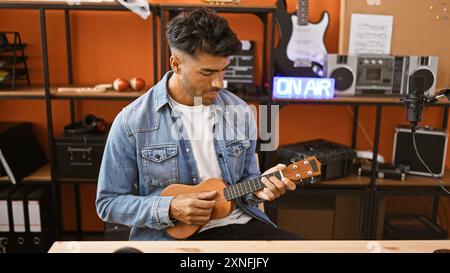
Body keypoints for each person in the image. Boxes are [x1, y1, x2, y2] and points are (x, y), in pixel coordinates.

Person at [96, 8, 299, 240]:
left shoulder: (241, 111)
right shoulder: (131, 122)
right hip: (172, 238)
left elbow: (245, 185)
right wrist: (170, 208)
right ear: (176, 64)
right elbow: (108, 203)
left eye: (224, 70)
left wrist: (260, 188)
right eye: (207, 72)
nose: (219, 83)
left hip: (241, 226)